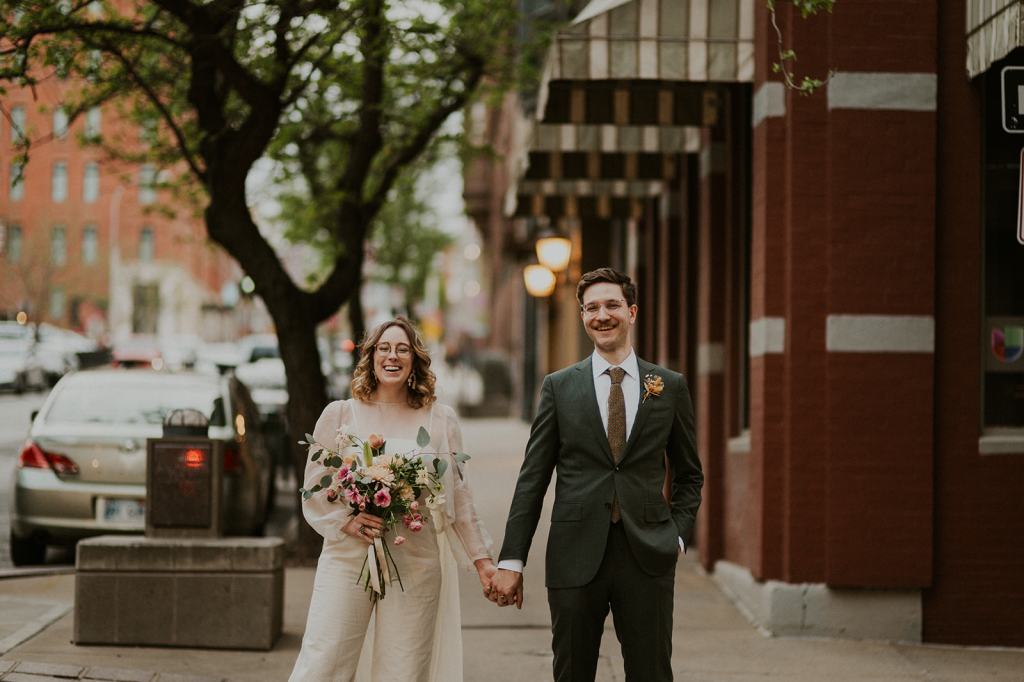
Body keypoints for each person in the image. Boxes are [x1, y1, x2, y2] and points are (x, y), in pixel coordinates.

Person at [488, 267, 704, 681]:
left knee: (652, 672)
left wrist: (675, 534)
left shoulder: (669, 386)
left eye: (611, 305)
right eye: (591, 308)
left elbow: (689, 474)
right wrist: (512, 559)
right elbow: (533, 478)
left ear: (632, 311)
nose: (601, 315)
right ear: (582, 316)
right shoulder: (558, 387)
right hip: (574, 554)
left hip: (647, 555)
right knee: (572, 671)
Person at [290, 316, 496, 682]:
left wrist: (483, 563)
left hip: (415, 557)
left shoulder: (439, 421)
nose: (393, 356)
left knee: (403, 669)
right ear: (370, 357)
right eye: (384, 348)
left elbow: (460, 500)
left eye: (403, 349)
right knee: (324, 660)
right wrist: (345, 520)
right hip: (349, 555)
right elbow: (317, 485)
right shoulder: (341, 415)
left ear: (415, 360)